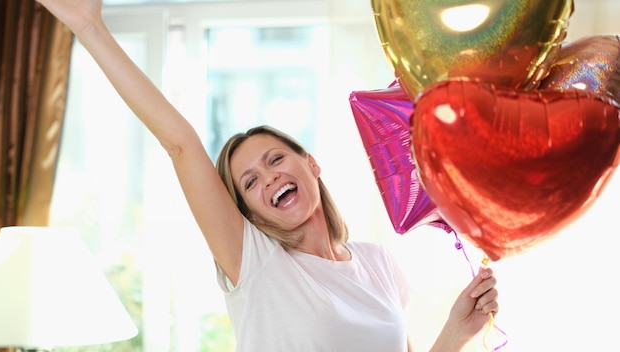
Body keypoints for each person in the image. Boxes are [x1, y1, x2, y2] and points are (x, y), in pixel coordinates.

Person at [36, 0, 499, 351]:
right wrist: (88, 26)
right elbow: (180, 144)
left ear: (311, 164)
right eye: (250, 182)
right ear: (248, 211)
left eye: (275, 160)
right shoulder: (255, 264)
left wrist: (457, 332)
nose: (268, 178)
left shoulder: (377, 263)